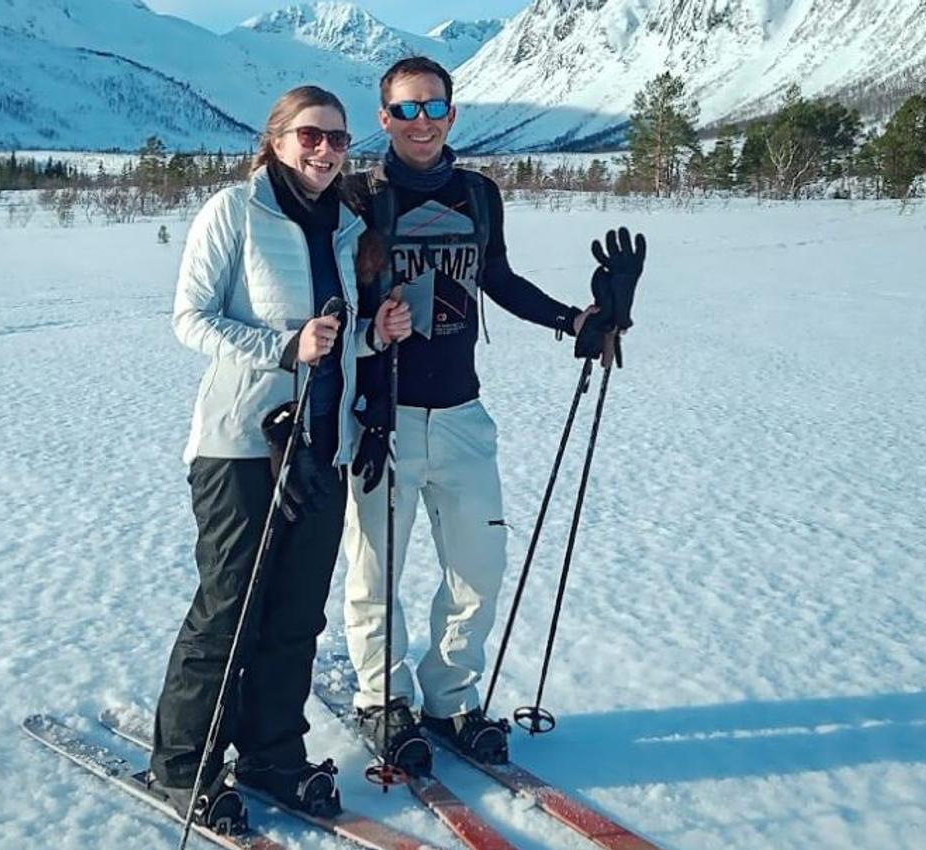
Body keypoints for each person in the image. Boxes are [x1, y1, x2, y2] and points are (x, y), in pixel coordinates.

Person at [150, 85, 413, 826]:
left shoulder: (346, 225)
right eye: (310, 136)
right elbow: (190, 320)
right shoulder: (236, 212)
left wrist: (373, 336)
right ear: (277, 139)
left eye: (337, 138)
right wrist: (281, 346)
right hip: (242, 445)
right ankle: (182, 765)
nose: (326, 150)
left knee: (297, 616)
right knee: (229, 608)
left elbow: (334, 342)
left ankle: (271, 754)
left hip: (323, 446)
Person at [341, 57, 600, 774]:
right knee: (374, 573)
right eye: (405, 110)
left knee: (478, 568)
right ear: (384, 118)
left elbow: (499, 278)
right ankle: (382, 701)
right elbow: (334, 291)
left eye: (433, 108)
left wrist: (573, 319)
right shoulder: (358, 196)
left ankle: (450, 699)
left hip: (461, 414)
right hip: (382, 418)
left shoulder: (480, 196)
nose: (420, 122)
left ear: (452, 116)